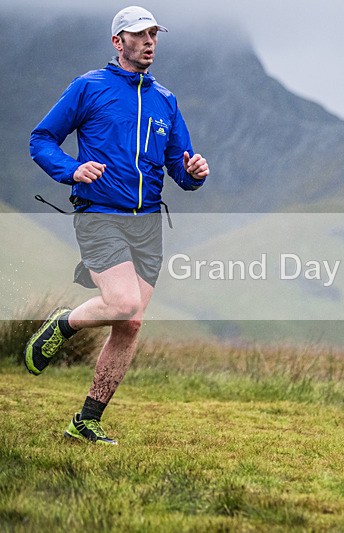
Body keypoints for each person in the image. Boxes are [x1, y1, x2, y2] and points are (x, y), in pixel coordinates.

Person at [26, 6, 209, 445]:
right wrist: (71, 170)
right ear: (118, 42)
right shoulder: (89, 87)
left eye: (153, 35)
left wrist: (195, 172)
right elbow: (41, 139)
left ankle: (86, 419)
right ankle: (64, 323)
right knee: (124, 304)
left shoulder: (165, 99)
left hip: (147, 225)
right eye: (139, 35)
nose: (149, 42)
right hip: (99, 215)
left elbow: (179, 169)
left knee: (131, 323)